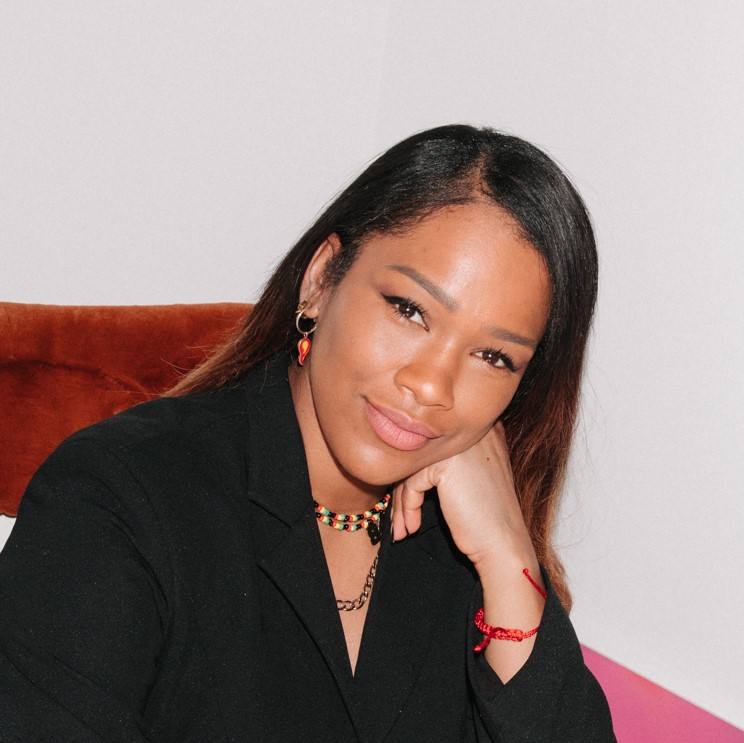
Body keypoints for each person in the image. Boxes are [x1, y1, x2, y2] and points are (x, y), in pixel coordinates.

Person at [0, 125, 615, 741]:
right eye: (409, 310)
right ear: (322, 279)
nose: (433, 386)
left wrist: (510, 563)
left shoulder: (472, 548)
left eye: (494, 357)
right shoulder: (117, 498)